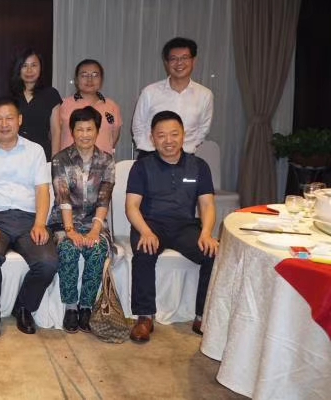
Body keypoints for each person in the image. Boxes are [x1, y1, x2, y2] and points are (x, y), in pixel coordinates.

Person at [125, 110, 218, 343]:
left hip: (185, 226)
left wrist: (206, 233)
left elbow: (207, 205)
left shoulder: (199, 166)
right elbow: (132, 207)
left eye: (174, 134)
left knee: (214, 253)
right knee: (144, 250)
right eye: (161, 135)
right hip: (150, 223)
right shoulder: (142, 167)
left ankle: (203, 315)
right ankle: (144, 317)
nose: (168, 140)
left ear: (183, 135)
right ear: (152, 138)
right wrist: (145, 231)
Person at [0, 96, 58, 339]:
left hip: (29, 219)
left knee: (48, 262)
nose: (4, 124)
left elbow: (42, 191)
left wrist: (40, 224)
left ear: (19, 120)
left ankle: (24, 307)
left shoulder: (35, 151)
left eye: (9, 118)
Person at [49, 106, 115, 333]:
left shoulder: (107, 161)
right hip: (63, 222)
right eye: (79, 129)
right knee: (68, 249)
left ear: (97, 131)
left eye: (89, 129)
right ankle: (70, 308)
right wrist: (71, 231)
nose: (84, 134)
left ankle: (86, 307)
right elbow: (63, 198)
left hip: (95, 223)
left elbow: (104, 199)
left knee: (97, 250)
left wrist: (95, 230)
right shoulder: (60, 159)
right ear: (72, 131)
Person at [131, 37, 213, 156]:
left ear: (193, 61)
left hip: (185, 157)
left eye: (184, 58)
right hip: (151, 155)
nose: (179, 63)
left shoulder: (205, 95)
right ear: (166, 63)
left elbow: (203, 129)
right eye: (173, 59)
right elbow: (138, 126)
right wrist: (150, 150)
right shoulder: (150, 92)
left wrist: (187, 148)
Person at [51, 59, 123, 155]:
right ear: (76, 80)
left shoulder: (112, 106)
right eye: (84, 75)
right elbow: (55, 134)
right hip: (69, 161)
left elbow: (114, 137)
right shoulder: (63, 104)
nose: (90, 79)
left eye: (95, 75)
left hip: (102, 161)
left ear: (101, 80)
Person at [9, 49, 62, 161]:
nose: (29, 70)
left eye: (34, 65)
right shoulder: (11, 96)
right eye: (24, 66)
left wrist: (55, 159)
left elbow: (55, 130)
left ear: (40, 68)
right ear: (18, 69)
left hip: (42, 154)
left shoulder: (51, 94)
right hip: (15, 153)